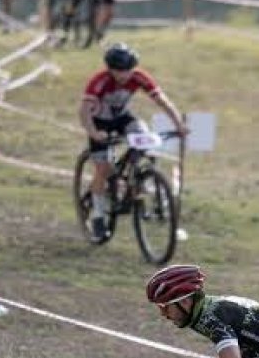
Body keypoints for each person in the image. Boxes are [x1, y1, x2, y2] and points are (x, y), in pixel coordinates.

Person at [79, 42, 187, 242]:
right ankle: (98, 214)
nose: (124, 75)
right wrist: (93, 133)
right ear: (110, 69)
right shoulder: (99, 81)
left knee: (145, 138)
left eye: (128, 70)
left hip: (123, 119)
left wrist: (179, 124)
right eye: (119, 71)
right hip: (99, 122)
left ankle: (139, 180)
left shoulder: (139, 77)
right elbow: (84, 111)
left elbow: (161, 100)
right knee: (103, 169)